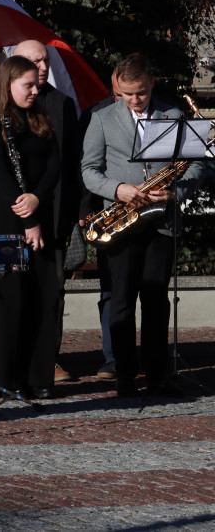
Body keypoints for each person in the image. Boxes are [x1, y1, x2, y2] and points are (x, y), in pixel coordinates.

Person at [81, 53, 204, 397]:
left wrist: (176, 192)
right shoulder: (101, 118)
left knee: (156, 300)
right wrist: (118, 189)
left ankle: (157, 374)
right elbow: (89, 171)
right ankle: (124, 374)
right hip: (121, 221)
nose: (134, 100)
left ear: (151, 82)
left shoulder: (173, 114)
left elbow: (194, 165)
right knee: (121, 300)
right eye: (126, 94)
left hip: (161, 220)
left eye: (141, 92)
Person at [0, 55, 60, 398]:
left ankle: (39, 378)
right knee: (11, 299)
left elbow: (55, 165)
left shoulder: (40, 117)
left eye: (37, 85)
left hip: (38, 211)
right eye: (28, 85)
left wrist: (37, 198)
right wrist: (28, 218)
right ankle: (8, 378)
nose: (35, 91)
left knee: (43, 296)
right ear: (8, 85)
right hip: (6, 217)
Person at [11, 40, 80, 384]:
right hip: (12, 213)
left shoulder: (61, 103)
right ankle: (14, 361)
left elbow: (70, 161)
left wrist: (77, 211)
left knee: (52, 290)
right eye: (34, 61)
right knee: (14, 291)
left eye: (45, 61)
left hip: (52, 215)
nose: (42, 67)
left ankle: (49, 360)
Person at [78, 73, 122, 379]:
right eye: (118, 95)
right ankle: (113, 357)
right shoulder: (96, 114)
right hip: (109, 211)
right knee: (110, 289)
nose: (125, 101)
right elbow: (85, 164)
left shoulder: (165, 112)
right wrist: (85, 210)